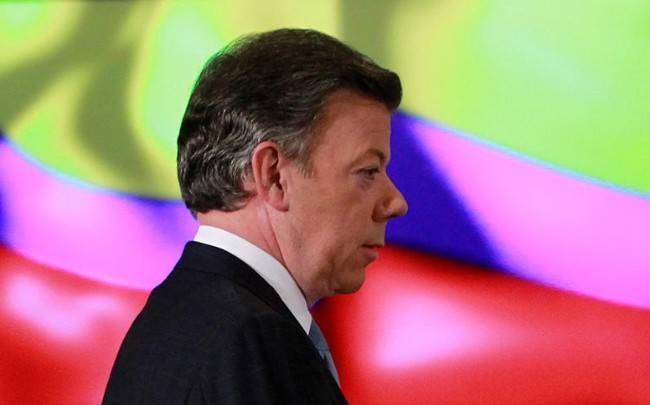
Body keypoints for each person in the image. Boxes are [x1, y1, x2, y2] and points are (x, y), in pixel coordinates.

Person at [103, 28, 408, 404]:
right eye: (368, 171)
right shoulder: (254, 342)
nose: (395, 202)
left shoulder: (175, 320)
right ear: (274, 175)